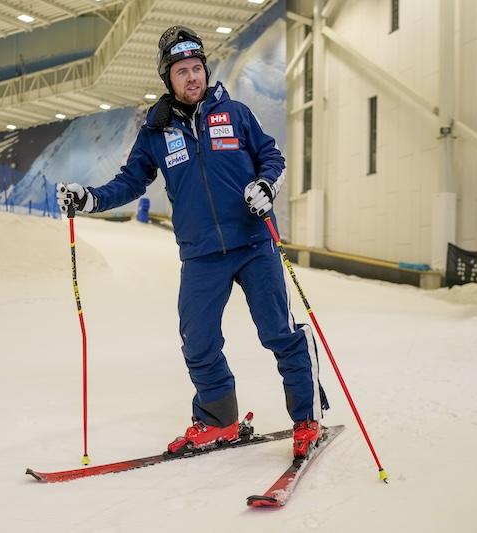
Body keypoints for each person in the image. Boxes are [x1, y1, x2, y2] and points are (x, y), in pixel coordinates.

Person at [57, 26, 329, 459]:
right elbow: (131, 182)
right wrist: (90, 198)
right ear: (169, 79)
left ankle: (307, 418)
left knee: (279, 332)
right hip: (202, 253)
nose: (192, 78)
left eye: (197, 69)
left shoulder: (236, 113)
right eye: (182, 71)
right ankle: (219, 420)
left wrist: (265, 185)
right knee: (198, 339)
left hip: (254, 242)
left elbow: (271, 157)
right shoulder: (156, 131)